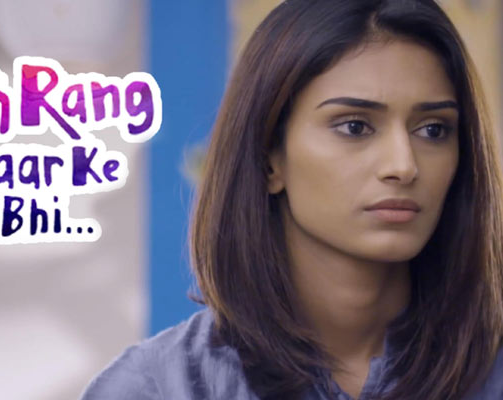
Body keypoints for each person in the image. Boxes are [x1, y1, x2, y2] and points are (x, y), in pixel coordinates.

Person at [80, 0, 503, 398]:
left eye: (433, 130)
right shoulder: (159, 388)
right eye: (355, 127)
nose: (403, 165)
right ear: (270, 157)